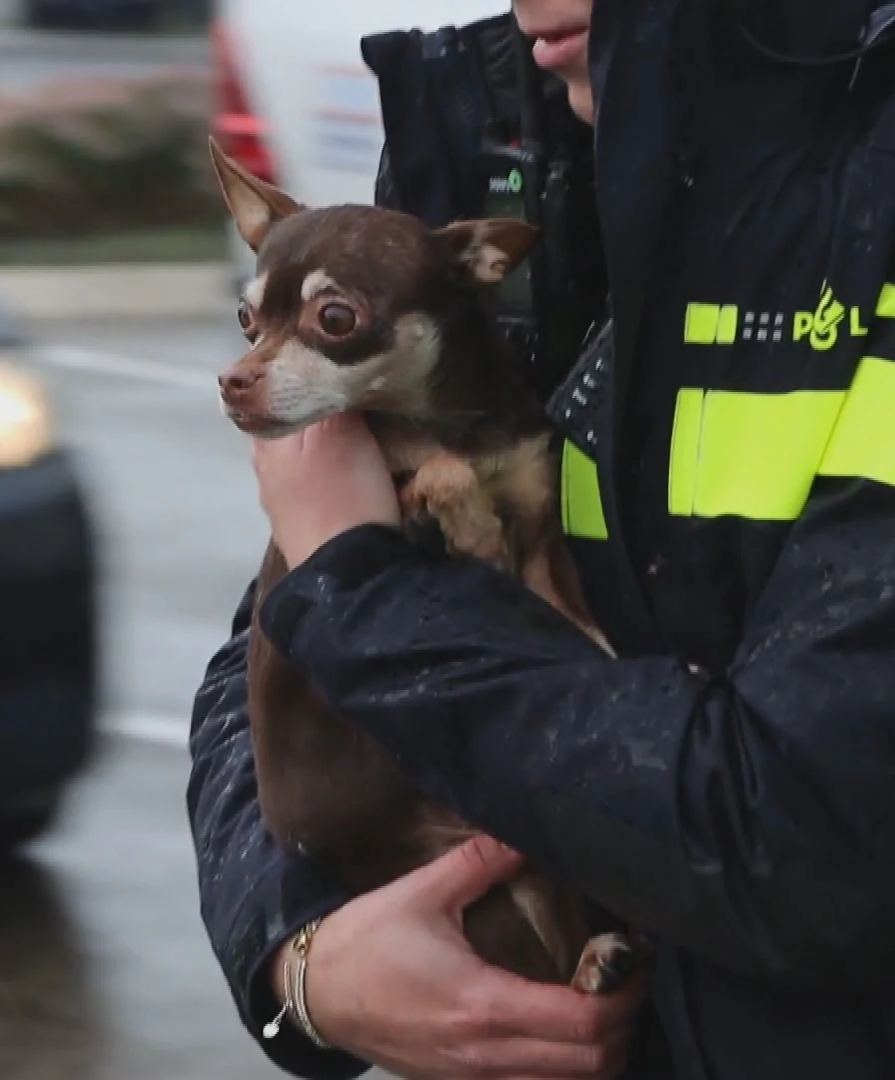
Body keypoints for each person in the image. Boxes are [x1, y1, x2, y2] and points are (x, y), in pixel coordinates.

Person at [188, 1, 895, 1078]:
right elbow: (275, 642)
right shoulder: (487, 142)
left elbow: (814, 844)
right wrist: (299, 957)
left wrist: (361, 598)